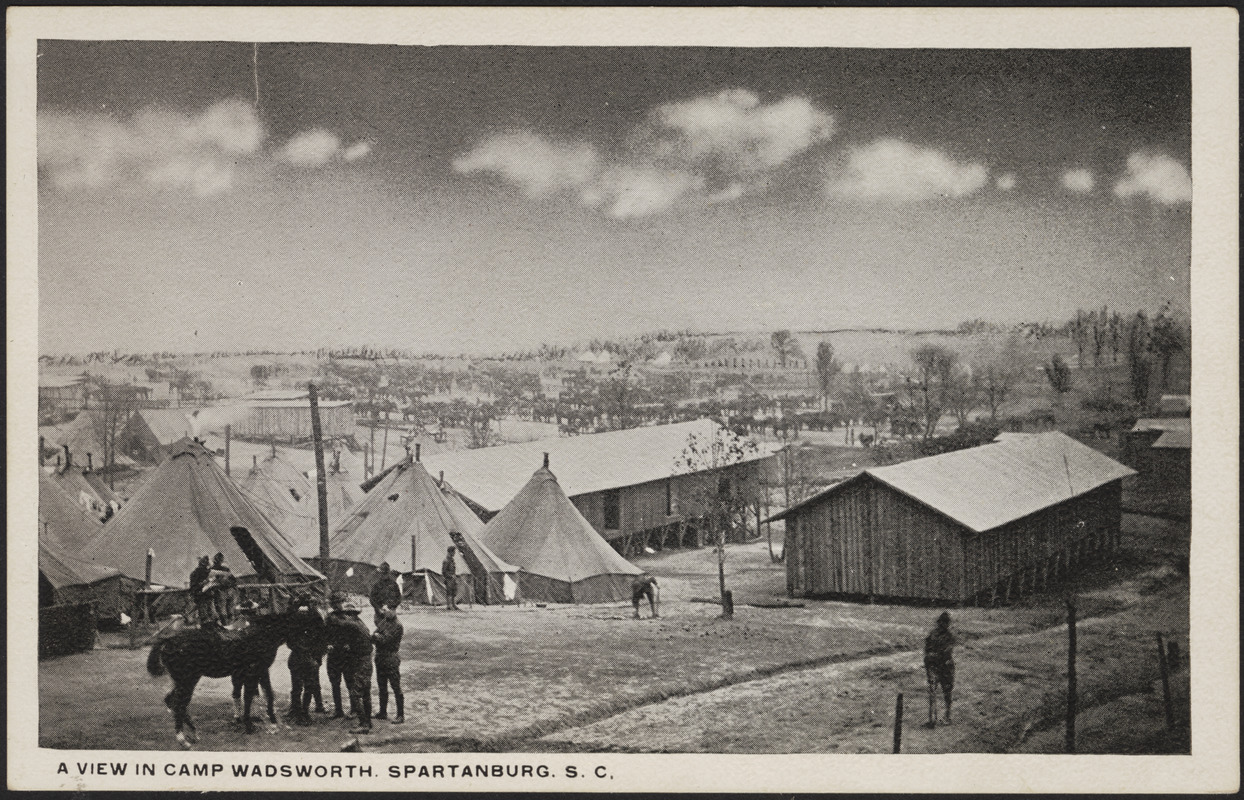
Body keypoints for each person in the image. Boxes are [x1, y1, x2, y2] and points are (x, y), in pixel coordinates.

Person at [327, 597, 374, 734]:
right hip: (364, 660)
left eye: (346, 613)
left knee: (355, 693)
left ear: (350, 615)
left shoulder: (352, 625)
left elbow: (337, 622)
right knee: (365, 693)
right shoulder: (360, 623)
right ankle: (368, 722)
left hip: (362, 662)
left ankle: (364, 724)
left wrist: (330, 613)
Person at [286, 598, 326, 725]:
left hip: (297, 658)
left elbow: (290, 642)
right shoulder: (315, 623)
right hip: (308, 659)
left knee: (297, 687)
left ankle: (298, 712)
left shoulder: (294, 625)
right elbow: (321, 638)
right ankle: (303, 712)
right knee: (308, 686)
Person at [325, 592, 358, 720]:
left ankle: (354, 709)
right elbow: (324, 634)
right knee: (335, 683)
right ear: (333, 604)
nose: (339, 605)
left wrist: (350, 644)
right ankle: (338, 710)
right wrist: (327, 644)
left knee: (350, 682)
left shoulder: (349, 616)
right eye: (337, 603)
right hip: (334, 655)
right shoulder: (329, 618)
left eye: (341, 602)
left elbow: (356, 634)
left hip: (347, 655)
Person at [371, 604, 405, 724]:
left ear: (393, 610)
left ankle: (400, 715)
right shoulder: (384, 621)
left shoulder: (398, 625)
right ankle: (382, 712)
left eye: (385, 610)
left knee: (396, 687)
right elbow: (373, 637)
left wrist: (378, 637)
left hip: (391, 658)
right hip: (380, 658)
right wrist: (377, 636)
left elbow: (386, 640)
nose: (383, 612)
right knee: (382, 686)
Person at [924, 611, 956, 727]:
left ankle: (947, 716)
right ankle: (932, 719)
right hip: (935, 667)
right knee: (933, 691)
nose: (944, 625)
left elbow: (946, 653)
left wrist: (932, 656)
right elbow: (927, 651)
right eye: (942, 623)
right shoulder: (932, 635)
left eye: (945, 623)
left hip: (945, 667)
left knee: (946, 692)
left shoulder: (949, 637)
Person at [207, 552, 236, 626]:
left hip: (221, 591)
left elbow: (210, 581)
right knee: (230, 609)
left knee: (222, 609)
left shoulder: (212, 569)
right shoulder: (226, 569)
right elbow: (233, 579)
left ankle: (226, 625)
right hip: (229, 590)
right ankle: (230, 624)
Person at [189, 556, 213, 626]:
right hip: (202, 594)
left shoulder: (195, 572)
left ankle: (206, 623)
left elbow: (193, 585)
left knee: (205, 611)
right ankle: (206, 624)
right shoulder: (200, 572)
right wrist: (205, 582)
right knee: (205, 612)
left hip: (203, 594)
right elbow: (195, 585)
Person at [441, 546, 459, 611]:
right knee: (449, 592)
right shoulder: (446, 560)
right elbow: (444, 572)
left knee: (454, 592)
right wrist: (450, 576)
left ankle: (453, 604)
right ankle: (449, 605)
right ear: (450, 552)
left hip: (453, 578)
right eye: (453, 552)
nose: (454, 553)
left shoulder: (452, 560)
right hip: (448, 579)